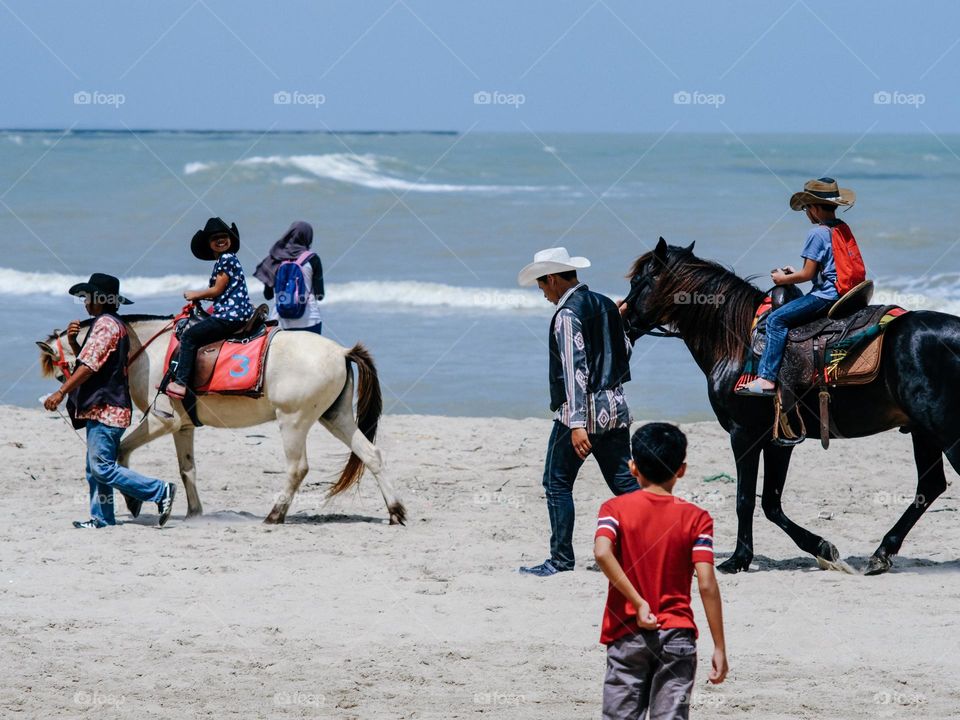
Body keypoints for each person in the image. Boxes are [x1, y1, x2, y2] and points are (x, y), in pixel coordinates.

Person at [517, 247, 639, 577]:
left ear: (553, 279)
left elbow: (576, 372)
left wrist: (577, 424)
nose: (542, 292)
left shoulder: (567, 315)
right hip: (616, 407)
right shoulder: (605, 304)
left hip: (583, 412)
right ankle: (656, 545)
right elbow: (624, 351)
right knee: (623, 482)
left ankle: (560, 559)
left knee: (556, 483)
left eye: (542, 285)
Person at [594, 423, 728, 719]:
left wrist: (638, 602)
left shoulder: (614, 508)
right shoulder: (697, 518)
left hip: (626, 632)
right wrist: (719, 646)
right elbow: (706, 584)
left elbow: (602, 552)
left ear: (632, 467)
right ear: (681, 470)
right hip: (677, 636)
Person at [43, 273, 176, 528]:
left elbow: (89, 367)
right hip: (102, 407)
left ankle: (159, 491)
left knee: (101, 468)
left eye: (88, 298)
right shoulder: (108, 323)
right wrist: (72, 342)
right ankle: (102, 519)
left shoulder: (106, 325)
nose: (85, 303)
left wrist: (60, 393)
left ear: (101, 299)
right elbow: (95, 361)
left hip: (107, 408)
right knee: (94, 469)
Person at [738, 177, 865, 396]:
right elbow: (828, 266)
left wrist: (781, 279)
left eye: (806, 208)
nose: (806, 213)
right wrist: (794, 273)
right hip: (846, 291)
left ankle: (766, 379)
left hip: (828, 295)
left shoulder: (817, 233)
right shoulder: (841, 227)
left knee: (777, 320)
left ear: (814, 209)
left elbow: (807, 274)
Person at [166, 217, 255, 399]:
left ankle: (181, 383)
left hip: (230, 316)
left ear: (230, 240)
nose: (220, 240)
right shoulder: (227, 259)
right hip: (236, 312)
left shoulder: (226, 259)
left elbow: (217, 290)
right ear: (209, 243)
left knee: (189, 336)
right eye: (215, 238)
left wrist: (195, 294)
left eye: (224, 236)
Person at [253, 221, 324, 334]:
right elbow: (320, 295)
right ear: (308, 237)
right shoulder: (313, 259)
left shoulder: (275, 258)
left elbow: (268, 295)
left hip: (280, 322)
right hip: (310, 320)